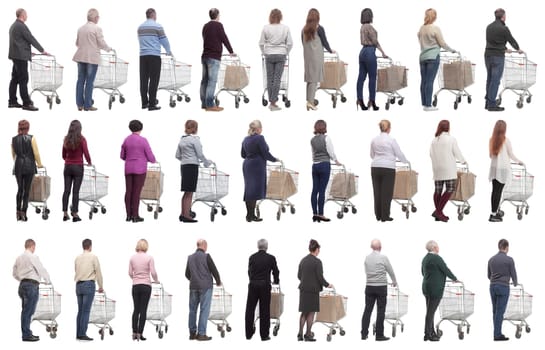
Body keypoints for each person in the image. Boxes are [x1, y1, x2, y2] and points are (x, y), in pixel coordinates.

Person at [8, 8, 48, 111]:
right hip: (21, 58)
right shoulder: (21, 26)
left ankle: (12, 101)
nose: (27, 16)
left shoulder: (13, 26)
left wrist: (29, 53)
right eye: (26, 14)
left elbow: (18, 43)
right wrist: (42, 50)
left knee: (15, 79)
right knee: (23, 79)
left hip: (15, 56)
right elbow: (31, 38)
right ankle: (26, 103)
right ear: (22, 15)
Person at [73, 8, 111, 111]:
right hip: (92, 58)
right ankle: (88, 105)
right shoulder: (96, 29)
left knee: (80, 81)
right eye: (98, 16)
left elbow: (77, 43)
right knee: (89, 82)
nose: (98, 18)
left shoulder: (80, 28)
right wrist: (109, 49)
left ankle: (79, 104)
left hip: (80, 57)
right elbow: (101, 43)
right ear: (95, 18)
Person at [12, 239, 51, 342]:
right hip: (31, 286)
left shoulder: (19, 258)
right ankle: (26, 335)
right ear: (32, 246)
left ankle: (27, 333)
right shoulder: (32, 256)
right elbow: (41, 269)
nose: (34, 249)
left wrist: (22, 279)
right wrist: (48, 280)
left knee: (26, 310)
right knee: (28, 311)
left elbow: (14, 273)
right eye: (34, 247)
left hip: (22, 285)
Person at [417, 8, 456, 111]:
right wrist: (452, 50)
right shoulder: (435, 28)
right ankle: (428, 106)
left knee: (424, 81)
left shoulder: (421, 28)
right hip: (433, 57)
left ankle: (424, 103)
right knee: (429, 81)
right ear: (434, 17)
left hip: (422, 57)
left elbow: (420, 41)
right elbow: (442, 43)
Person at [241, 120, 280, 222]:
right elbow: (265, 153)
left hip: (247, 165)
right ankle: (251, 216)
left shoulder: (245, 139)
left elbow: (243, 155)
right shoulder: (259, 138)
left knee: (249, 190)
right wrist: (275, 159)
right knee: (254, 191)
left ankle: (249, 215)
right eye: (261, 128)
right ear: (258, 129)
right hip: (257, 166)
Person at [485, 9, 522, 112]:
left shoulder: (489, 27)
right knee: (495, 80)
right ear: (503, 17)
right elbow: (511, 40)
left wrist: (505, 49)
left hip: (487, 55)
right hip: (497, 57)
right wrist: (517, 49)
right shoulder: (504, 28)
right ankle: (492, 105)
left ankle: (487, 102)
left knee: (490, 79)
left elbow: (493, 42)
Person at [371, 120, 408, 222]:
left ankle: (378, 215)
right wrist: (405, 161)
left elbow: (371, 154)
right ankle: (385, 216)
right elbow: (399, 154)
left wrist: (378, 158)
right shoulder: (391, 140)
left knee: (377, 192)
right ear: (389, 128)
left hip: (375, 167)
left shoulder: (374, 140)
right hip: (388, 168)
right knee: (386, 193)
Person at [175, 120, 212, 223]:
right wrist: (207, 162)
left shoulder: (182, 140)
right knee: (190, 192)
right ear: (195, 128)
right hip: (192, 167)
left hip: (183, 166)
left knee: (186, 191)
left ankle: (183, 214)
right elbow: (200, 154)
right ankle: (187, 216)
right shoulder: (194, 140)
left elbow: (177, 155)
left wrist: (186, 159)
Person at [422, 240, 458, 342]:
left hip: (426, 287)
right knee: (430, 313)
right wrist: (455, 278)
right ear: (434, 248)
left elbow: (423, 272)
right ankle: (428, 334)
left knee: (430, 312)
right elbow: (445, 270)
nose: (438, 248)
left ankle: (430, 332)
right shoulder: (436, 258)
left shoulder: (425, 258)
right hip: (435, 289)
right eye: (437, 246)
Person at [120, 120, 156, 223]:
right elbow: (150, 156)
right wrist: (152, 160)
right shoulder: (143, 140)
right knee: (136, 193)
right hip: (140, 169)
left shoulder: (126, 140)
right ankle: (135, 216)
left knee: (128, 191)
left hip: (128, 169)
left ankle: (128, 216)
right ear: (141, 128)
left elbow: (122, 156)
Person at [429, 120, 466, 222]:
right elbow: (457, 152)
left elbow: (431, 154)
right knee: (450, 188)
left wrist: (436, 163)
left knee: (437, 190)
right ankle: (439, 211)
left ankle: (438, 214)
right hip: (448, 168)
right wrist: (463, 161)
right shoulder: (451, 139)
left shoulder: (434, 140)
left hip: (437, 168)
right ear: (448, 128)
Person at [185, 239, 221, 341]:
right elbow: (214, 270)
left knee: (192, 310)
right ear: (204, 245)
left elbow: (187, 274)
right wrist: (218, 281)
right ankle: (201, 334)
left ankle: (192, 334)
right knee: (204, 310)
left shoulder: (190, 258)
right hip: (205, 287)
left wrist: (194, 279)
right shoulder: (206, 256)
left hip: (193, 287)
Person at [361, 239, 397, 341]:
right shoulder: (383, 257)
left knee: (367, 310)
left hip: (369, 287)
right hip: (381, 287)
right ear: (380, 247)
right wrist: (394, 281)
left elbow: (366, 271)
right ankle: (379, 335)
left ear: (371, 247)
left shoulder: (367, 258)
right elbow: (390, 270)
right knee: (381, 311)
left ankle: (364, 334)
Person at [297, 239, 333, 342]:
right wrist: (328, 284)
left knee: (304, 312)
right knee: (311, 312)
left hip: (303, 289)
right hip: (313, 291)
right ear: (316, 249)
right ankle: (308, 334)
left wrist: (306, 280)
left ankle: (300, 334)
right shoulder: (317, 262)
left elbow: (299, 276)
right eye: (319, 249)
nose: (319, 251)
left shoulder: (303, 260)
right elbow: (320, 277)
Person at [245, 239, 280, 341]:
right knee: (264, 310)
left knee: (250, 309)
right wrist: (276, 281)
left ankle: (248, 334)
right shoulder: (271, 258)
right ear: (266, 247)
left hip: (253, 285)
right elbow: (276, 271)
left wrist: (252, 280)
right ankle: (264, 335)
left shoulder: (252, 257)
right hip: (265, 285)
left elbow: (249, 271)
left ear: (258, 246)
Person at [137, 8, 171, 111]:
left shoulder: (140, 27)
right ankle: (152, 104)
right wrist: (168, 51)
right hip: (154, 56)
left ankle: (144, 103)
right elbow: (164, 40)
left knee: (143, 79)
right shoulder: (157, 26)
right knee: (154, 80)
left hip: (143, 56)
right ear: (153, 15)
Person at [488, 120, 523, 222]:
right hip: (503, 169)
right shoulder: (506, 141)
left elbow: (490, 156)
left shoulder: (492, 140)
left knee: (495, 191)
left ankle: (494, 211)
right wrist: (519, 161)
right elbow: (511, 154)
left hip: (494, 168)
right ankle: (493, 214)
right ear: (504, 129)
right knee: (498, 192)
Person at [259, 8, 293, 111]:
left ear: (271, 17)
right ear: (280, 17)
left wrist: (264, 52)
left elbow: (261, 43)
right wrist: (286, 52)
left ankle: (272, 101)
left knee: (270, 78)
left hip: (269, 54)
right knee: (277, 78)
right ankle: (273, 103)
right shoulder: (285, 28)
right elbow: (290, 43)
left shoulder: (266, 28)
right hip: (281, 54)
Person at [201, 8, 234, 112]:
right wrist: (231, 51)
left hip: (205, 56)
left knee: (204, 81)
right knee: (212, 81)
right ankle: (210, 105)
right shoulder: (218, 25)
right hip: (214, 57)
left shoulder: (205, 26)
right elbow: (224, 38)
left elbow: (205, 38)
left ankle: (204, 104)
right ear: (217, 15)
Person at [302, 8, 334, 111]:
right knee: (314, 79)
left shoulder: (303, 29)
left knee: (309, 79)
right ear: (317, 17)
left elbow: (302, 42)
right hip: (317, 57)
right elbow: (324, 42)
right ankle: (310, 102)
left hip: (307, 57)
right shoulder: (319, 28)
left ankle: (309, 100)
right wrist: (330, 50)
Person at [356, 8, 387, 111]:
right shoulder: (370, 27)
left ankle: (360, 100)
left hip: (362, 53)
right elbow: (375, 41)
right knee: (372, 78)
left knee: (361, 78)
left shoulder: (362, 27)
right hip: (370, 52)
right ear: (370, 16)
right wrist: (383, 52)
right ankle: (372, 101)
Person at [12, 120, 42, 221]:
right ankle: (24, 212)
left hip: (18, 166)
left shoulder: (14, 139)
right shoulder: (31, 138)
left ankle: (18, 212)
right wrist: (39, 164)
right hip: (29, 166)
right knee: (27, 191)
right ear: (28, 128)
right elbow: (36, 153)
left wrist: (18, 162)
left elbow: (13, 155)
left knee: (20, 189)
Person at [129, 239, 159, 342]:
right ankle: (140, 334)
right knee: (143, 310)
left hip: (135, 286)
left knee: (136, 310)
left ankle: (134, 333)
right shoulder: (149, 258)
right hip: (146, 286)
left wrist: (135, 278)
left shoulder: (132, 258)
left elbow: (129, 272)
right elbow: (153, 272)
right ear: (146, 246)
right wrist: (156, 280)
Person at [310, 120, 340, 222]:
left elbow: (313, 153)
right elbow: (330, 151)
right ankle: (321, 214)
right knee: (322, 190)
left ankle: (315, 214)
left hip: (315, 165)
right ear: (324, 127)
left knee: (315, 190)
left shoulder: (312, 140)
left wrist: (316, 160)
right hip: (324, 165)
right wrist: (336, 160)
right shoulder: (326, 138)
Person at [488, 239, 518, 341]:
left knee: (495, 311)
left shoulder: (491, 259)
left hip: (492, 286)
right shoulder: (509, 260)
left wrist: (495, 280)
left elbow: (489, 275)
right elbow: (513, 273)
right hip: (503, 287)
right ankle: (497, 335)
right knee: (500, 311)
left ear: (499, 247)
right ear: (506, 247)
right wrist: (515, 282)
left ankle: (496, 332)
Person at [62, 120, 91, 223]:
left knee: (66, 191)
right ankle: (75, 214)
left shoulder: (66, 139)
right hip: (78, 167)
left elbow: (63, 155)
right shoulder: (82, 139)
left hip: (67, 167)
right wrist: (89, 162)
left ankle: (65, 214)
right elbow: (86, 153)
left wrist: (68, 160)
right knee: (75, 192)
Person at [74, 238, 104, 342]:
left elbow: (76, 270)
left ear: (83, 246)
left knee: (80, 311)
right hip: (88, 285)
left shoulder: (77, 258)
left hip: (78, 285)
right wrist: (101, 286)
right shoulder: (93, 257)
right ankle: (82, 334)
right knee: (86, 311)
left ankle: (78, 333)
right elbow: (98, 272)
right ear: (90, 246)